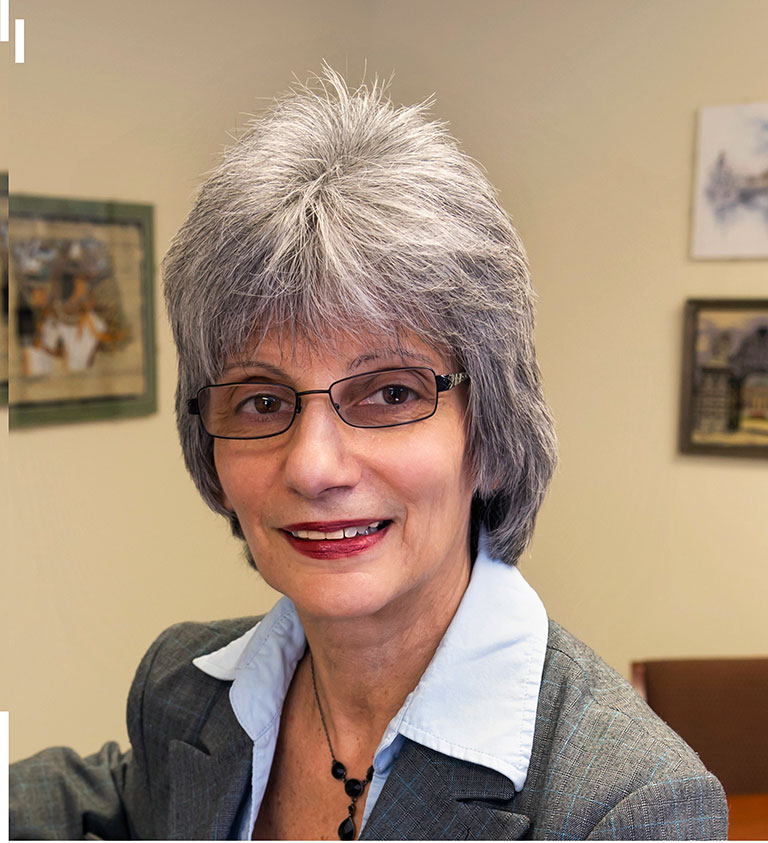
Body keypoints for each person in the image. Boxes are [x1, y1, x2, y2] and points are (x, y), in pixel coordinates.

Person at [9, 69, 728, 841]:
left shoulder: (625, 806)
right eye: (262, 400)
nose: (315, 466)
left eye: (390, 393)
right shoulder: (186, 693)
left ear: (488, 433)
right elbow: (90, 802)